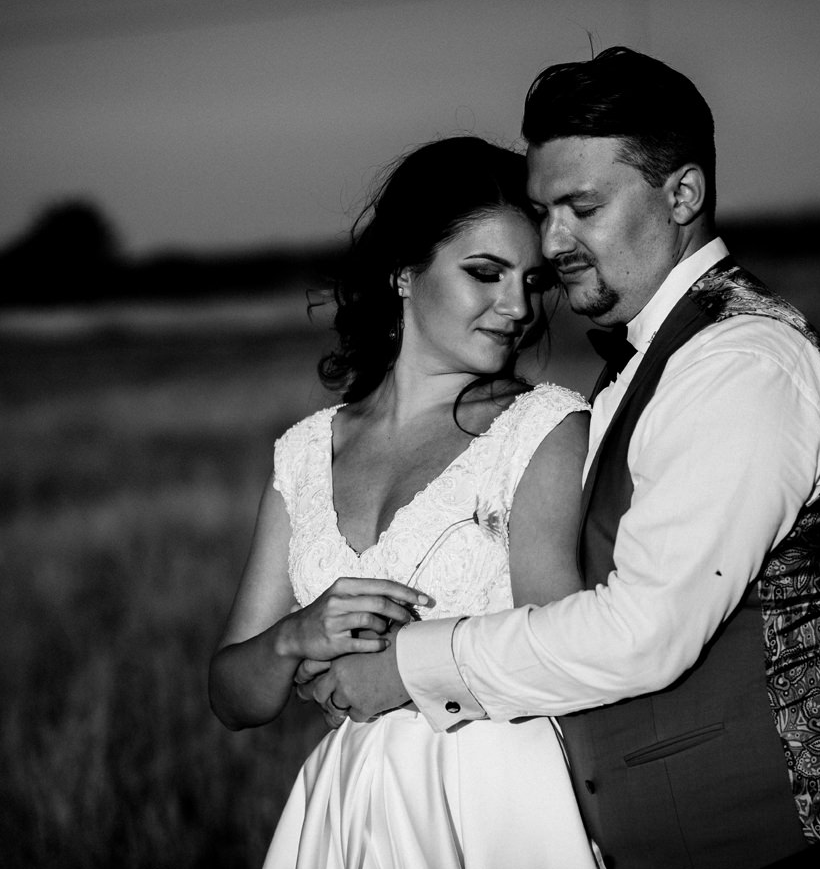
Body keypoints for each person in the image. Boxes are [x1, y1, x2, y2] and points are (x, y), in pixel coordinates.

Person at [307, 47, 820, 868]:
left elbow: (645, 630)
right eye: (544, 211)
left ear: (682, 195)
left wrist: (410, 665)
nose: (553, 242)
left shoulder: (741, 365)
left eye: (582, 207)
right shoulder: (645, 361)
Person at [208, 135, 602, 868]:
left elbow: (560, 651)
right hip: (347, 813)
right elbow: (232, 696)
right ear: (403, 272)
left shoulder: (543, 429)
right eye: (485, 273)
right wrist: (296, 637)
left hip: (495, 807)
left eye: (533, 280)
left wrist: (403, 670)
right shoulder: (306, 452)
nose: (517, 306)